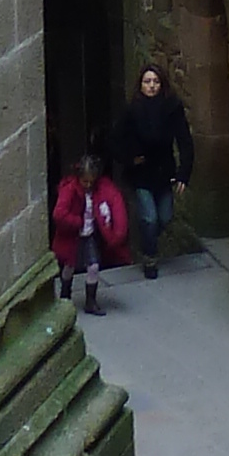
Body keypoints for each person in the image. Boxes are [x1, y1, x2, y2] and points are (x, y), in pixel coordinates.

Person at [114, 62, 194, 279]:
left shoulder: (172, 107)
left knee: (165, 217)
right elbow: (117, 140)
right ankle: (149, 256)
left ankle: (148, 241)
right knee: (149, 217)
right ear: (140, 84)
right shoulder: (132, 110)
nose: (151, 86)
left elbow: (184, 140)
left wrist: (183, 173)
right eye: (147, 82)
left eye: (155, 82)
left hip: (164, 171)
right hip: (141, 173)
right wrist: (130, 159)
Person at [50, 152, 128, 315]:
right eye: (85, 181)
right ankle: (65, 295)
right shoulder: (69, 190)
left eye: (91, 181)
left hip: (89, 233)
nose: (87, 185)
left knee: (93, 265)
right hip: (73, 235)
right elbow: (59, 214)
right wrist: (77, 221)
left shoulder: (99, 190)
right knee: (69, 266)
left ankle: (90, 301)